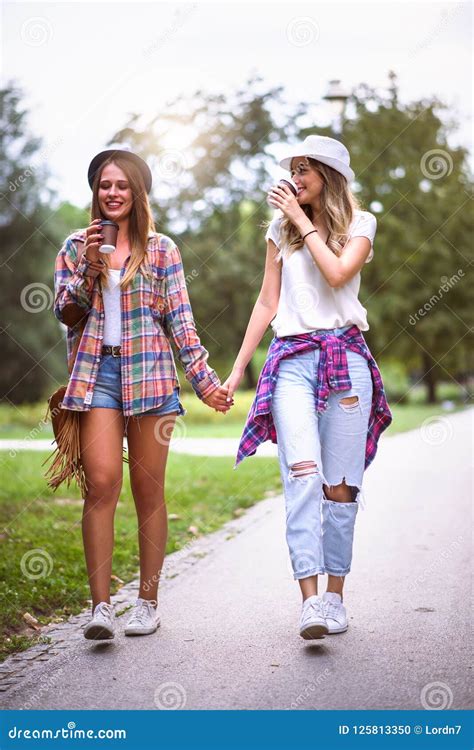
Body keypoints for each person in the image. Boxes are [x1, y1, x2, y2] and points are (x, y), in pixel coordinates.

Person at [53, 149, 232, 640]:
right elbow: (66, 314)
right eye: (105, 185)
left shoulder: (162, 249)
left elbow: (181, 322)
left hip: (152, 377)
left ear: (137, 193)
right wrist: (91, 268)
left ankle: (147, 603)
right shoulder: (74, 246)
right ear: (96, 191)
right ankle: (100, 608)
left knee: (149, 491)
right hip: (97, 377)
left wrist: (206, 383)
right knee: (102, 482)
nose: (113, 192)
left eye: (122, 185)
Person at [224, 135, 392, 640]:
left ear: (328, 176)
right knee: (301, 474)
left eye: (305, 170)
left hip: (345, 360)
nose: (294, 179)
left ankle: (336, 598)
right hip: (293, 362)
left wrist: (303, 223)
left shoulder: (361, 224)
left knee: (339, 488)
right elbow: (266, 303)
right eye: (292, 170)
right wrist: (235, 371)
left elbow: (339, 275)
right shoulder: (280, 229)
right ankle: (310, 601)